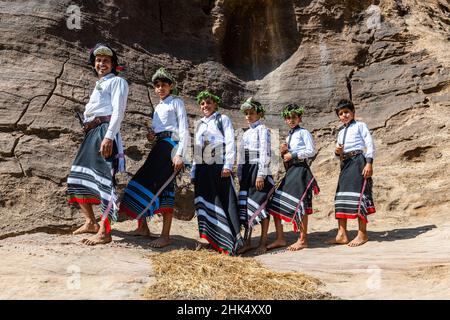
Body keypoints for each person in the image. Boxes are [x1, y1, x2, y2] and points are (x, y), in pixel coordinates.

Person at [119, 67, 188, 248]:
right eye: (157, 85)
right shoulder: (158, 107)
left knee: (165, 187)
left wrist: (180, 154)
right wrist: (152, 136)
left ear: (171, 86)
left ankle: (165, 236)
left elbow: (184, 130)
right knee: (139, 182)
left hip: (172, 148)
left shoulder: (176, 102)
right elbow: (159, 132)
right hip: (159, 147)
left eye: (164, 84)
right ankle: (143, 227)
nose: (160, 88)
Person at [67, 43, 128, 245]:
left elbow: (118, 112)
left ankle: (104, 231)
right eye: (98, 60)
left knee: (104, 181)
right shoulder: (99, 83)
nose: (101, 63)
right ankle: (90, 222)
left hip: (104, 131)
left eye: (106, 61)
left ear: (113, 64)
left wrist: (109, 136)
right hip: (92, 132)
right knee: (76, 176)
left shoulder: (117, 82)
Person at [191, 90, 243, 255]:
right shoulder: (199, 123)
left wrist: (228, 164)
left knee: (222, 198)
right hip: (202, 166)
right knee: (208, 199)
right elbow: (197, 148)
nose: (205, 106)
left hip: (218, 163)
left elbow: (230, 142)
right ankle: (215, 240)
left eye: (208, 102)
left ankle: (229, 241)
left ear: (215, 104)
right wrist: (194, 171)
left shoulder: (223, 119)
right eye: (202, 103)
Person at [267, 104, 319, 251]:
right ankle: (280, 238)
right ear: (285, 119)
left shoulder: (304, 133)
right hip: (291, 171)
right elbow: (288, 157)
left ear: (299, 118)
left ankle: (303, 240)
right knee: (275, 203)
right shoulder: (289, 136)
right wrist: (285, 152)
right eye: (288, 118)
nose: (291, 120)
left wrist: (293, 154)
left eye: (294, 117)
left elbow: (311, 151)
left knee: (300, 205)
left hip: (301, 170)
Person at [327, 99, 376, 247]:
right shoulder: (340, 132)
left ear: (353, 112)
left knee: (360, 197)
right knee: (341, 197)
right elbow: (339, 152)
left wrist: (369, 162)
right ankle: (342, 234)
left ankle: (362, 234)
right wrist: (338, 152)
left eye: (347, 112)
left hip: (359, 161)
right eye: (341, 114)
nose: (344, 115)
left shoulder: (361, 126)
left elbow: (369, 144)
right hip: (346, 164)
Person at [236, 97, 274, 255]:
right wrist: (240, 172)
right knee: (246, 205)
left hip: (257, 170)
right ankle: (248, 241)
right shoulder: (246, 133)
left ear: (259, 114)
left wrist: (261, 174)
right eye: (246, 113)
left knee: (261, 205)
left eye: (251, 113)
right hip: (246, 171)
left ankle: (263, 242)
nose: (248, 116)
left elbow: (265, 152)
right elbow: (241, 155)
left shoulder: (262, 130)